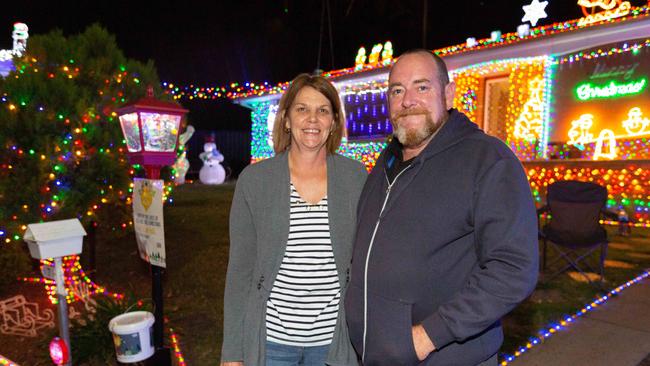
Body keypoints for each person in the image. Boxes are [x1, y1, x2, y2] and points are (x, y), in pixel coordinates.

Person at [345, 49, 539, 365]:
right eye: (397, 90)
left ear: (448, 94)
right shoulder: (385, 163)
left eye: (422, 87)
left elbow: (514, 269)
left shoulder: (487, 160)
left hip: (442, 356)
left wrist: (427, 337)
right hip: (375, 354)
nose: (408, 100)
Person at [221, 73, 367, 366]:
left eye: (323, 110)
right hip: (272, 341)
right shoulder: (255, 181)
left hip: (333, 342)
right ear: (286, 119)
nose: (312, 119)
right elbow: (240, 271)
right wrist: (233, 352)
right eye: (302, 109)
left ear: (334, 121)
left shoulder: (355, 178)